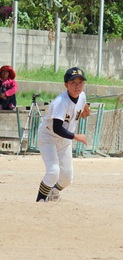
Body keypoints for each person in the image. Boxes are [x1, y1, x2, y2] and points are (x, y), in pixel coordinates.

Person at [35, 67, 90, 202]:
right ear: (66, 85)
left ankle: (53, 193)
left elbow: (79, 113)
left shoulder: (82, 96)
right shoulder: (61, 101)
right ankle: (40, 202)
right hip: (49, 136)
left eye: (80, 82)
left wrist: (84, 114)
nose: (77, 86)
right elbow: (57, 128)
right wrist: (77, 137)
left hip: (64, 139)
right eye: (73, 83)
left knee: (67, 178)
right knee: (53, 172)